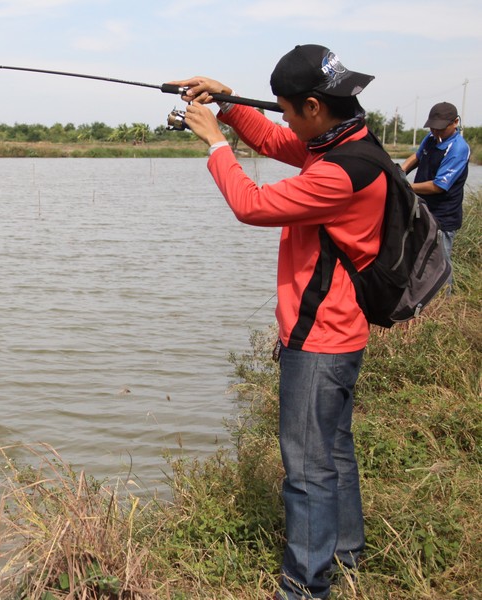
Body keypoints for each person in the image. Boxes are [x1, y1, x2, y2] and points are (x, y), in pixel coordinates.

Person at [167, 44, 385, 599]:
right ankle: (347, 554)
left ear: (314, 105)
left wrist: (216, 143)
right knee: (333, 449)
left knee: (307, 473)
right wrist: (231, 104)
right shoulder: (346, 140)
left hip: (319, 338)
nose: (283, 118)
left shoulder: (340, 172)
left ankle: (305, 589)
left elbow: (253, 205)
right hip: (341, 330)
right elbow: (273, 139)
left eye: (287, 108)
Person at [401, 101, 470, 280]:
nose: (436, 132)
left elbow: (438, 186)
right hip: (423, 209)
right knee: (417, 256)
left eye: (440, 128)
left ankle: (445, 301)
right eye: (433, 128)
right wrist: (399, 173)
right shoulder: (431, 139)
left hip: (443, 216)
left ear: (455, 122)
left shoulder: (458, 148)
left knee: (440, 262)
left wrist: (405, 187)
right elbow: (416, 157)